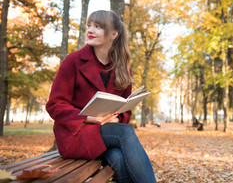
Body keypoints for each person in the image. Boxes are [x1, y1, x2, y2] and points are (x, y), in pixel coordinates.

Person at [46, 10, 156, 183]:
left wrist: (117, 119)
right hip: (75, 136)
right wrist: (88, 118)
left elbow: (126, 110)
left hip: (106, 135)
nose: (90, 30)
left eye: (98, 27)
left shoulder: (122, 68)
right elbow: (54, 105)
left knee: (118, 158)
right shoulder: (73, 61)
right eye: (89, 25)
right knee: (125, 133)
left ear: (114, 34)